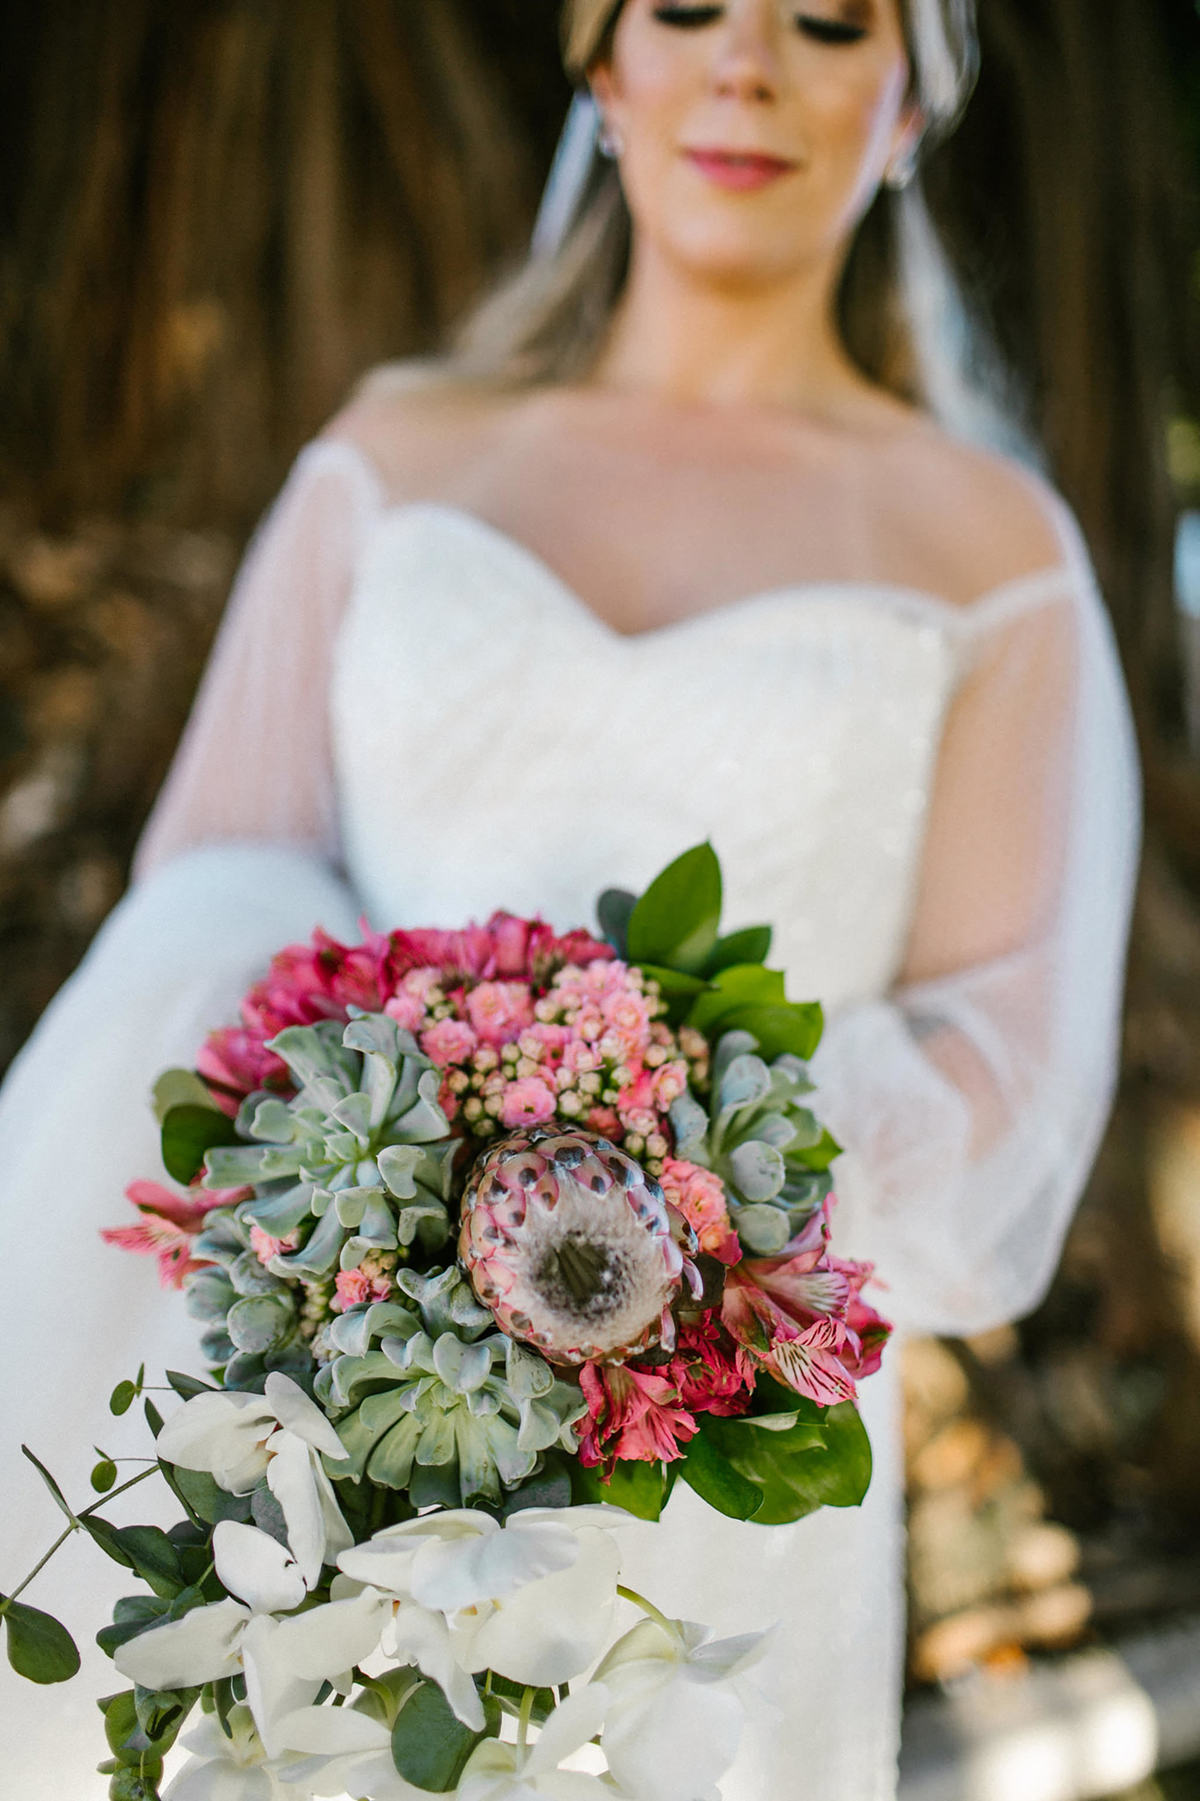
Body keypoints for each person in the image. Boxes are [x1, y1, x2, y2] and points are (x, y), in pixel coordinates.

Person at [0, 1, 1140, 1796]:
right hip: (324, 1367)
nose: (744, 66)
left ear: (911, 100)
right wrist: (430, 1116)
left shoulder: (992, 551)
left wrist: (663, 1159)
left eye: (827, 22)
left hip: (694, 1437)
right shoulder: (398, 452)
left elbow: (1001, 1068)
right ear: (601, 65)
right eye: (682, 9)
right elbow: (209, 877)